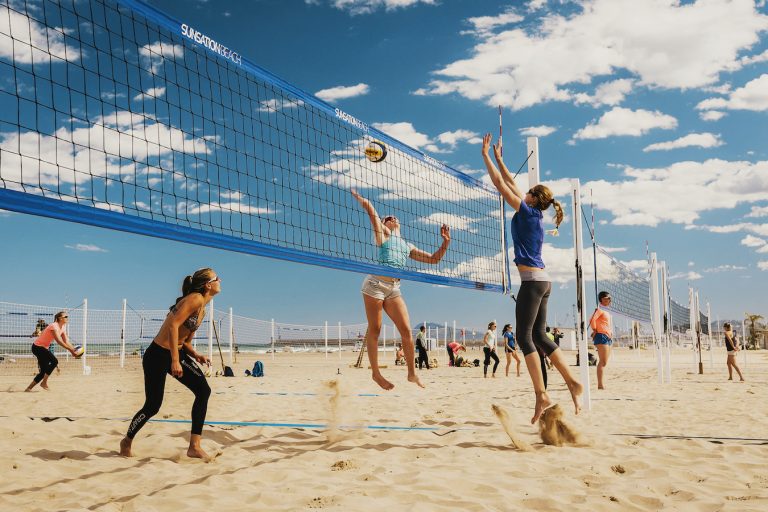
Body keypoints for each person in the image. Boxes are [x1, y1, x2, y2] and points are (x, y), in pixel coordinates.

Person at [483, 133, 583, 423]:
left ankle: (542, 395)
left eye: (528, 192)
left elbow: (502, 185)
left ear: (533, 198)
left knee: (526, 338)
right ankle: (573, 382)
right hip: (543, 282)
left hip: (532, 283)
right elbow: (511, 184)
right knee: (539, 335)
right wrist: (501, 159)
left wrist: (485, 156)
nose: (522, 192)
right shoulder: (535, 214)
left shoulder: (526, 213)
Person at [351, 189, 450, 390]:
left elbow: (433, 259)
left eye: (394, 217)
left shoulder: (406, 245)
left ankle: (412, 374)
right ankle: (376, 373)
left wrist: (445, 242)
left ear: (400, 225)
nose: (391, 218)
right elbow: (372, 212)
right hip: (375, 285)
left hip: (394, 288)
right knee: (375, 330)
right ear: (384, 225)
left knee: (406, 331)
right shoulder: (383, 237)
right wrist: (363, 199)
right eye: (387, 218)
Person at [120, 268, 219, 460]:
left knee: (203, 391)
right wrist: (175, 360)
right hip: (157, 355)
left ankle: (194, 447)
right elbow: (173, 325)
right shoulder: (195, 298)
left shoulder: (202, 309)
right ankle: (127, 440)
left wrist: (196, 354)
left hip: (176, 352)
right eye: (217, 278)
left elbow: (185, 340)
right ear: (208, 285)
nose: (220, 281)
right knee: (152, 406)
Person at [25, 311, 79, 392]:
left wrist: (73, 350)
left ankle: (28, 388)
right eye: (66, 317)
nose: (68, 318)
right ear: (60, 318)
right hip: (37, 347)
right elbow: (59, 341)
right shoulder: (54, 326)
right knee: (54, 361)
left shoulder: (63, 327)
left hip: (43, 348)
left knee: (43, 372)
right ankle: (44, 383)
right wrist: (71, 350)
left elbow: (66, 341)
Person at [589, 291, 613, 390]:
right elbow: (591, 320)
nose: (608, 300)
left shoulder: (606, 311)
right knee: (602, 362)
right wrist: (594, 330)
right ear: (601, 299)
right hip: (601, 336)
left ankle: (601, 384)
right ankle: (600, 385)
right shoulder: (599, 310)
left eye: (609, 298)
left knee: (605, 362)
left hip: (607, 337)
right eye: (606, 298)